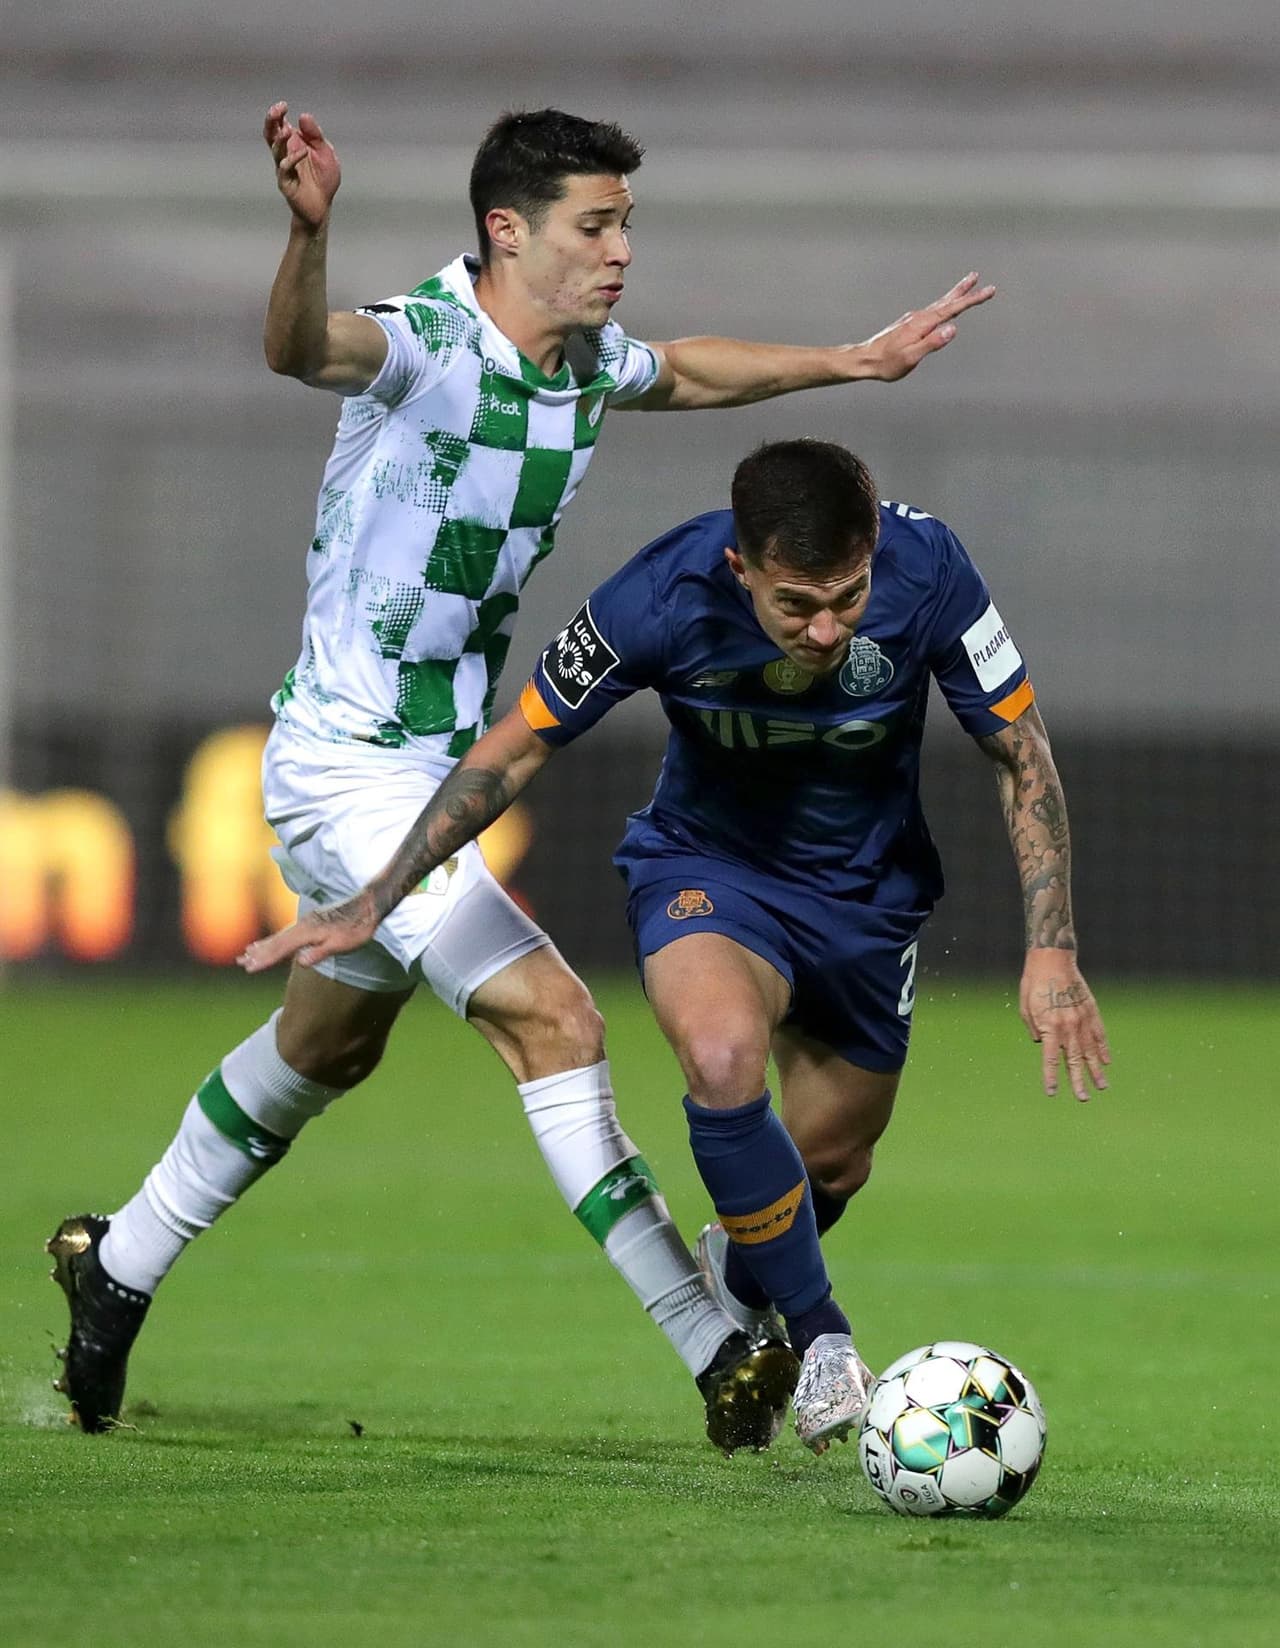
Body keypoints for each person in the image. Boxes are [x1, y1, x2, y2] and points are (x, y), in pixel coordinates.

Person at [47, 104, 996, 1451]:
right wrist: (306, 236)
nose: (619, 252)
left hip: (435, 767)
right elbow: (302, 347)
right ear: (508, 230)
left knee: (327, 1047)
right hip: (348, 765)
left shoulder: (582, 365)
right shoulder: (427, 340)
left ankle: (119, 1261)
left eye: (625, 226)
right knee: (557, 1022)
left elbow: (696, 374)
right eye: (594, 226)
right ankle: (717, 1343)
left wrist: (851, 362)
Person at [241, 438, 1111, 1452]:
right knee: (719, 1057)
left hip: (866, 902)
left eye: (848, 596)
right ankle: (822, 1339)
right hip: (708, 871)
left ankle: (744, 1272)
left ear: (873, 551)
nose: (826, 629)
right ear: (739, 567)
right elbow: (514, 747)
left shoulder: (932, 569)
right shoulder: (660, 593)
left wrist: (1050, 948)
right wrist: (378, 893)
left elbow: (1019, 750)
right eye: (796, 605)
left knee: (833, 1155)